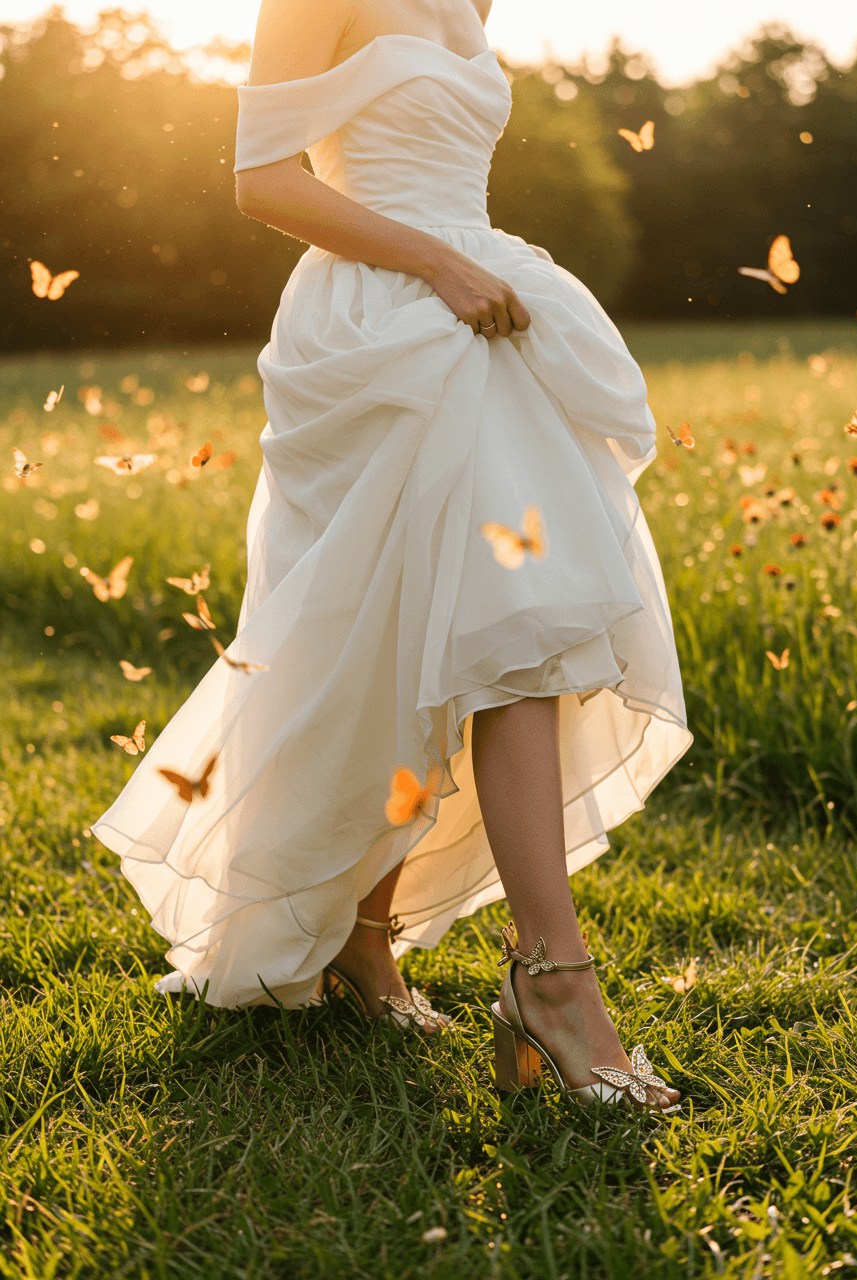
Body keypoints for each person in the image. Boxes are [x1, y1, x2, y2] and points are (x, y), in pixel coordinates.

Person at [92, 0, 692, 1112]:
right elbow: (262, 177)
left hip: (482, 313)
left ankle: (375, 941)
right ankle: (552, 982)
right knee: (399, 642)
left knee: (518, 619)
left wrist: (471, 267)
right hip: (380, 318)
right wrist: (438, 265)